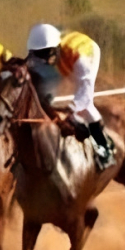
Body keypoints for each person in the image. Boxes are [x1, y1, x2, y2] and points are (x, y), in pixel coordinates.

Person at [25, 23, 115, 169]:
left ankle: (104, 148)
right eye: (39, 54)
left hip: (87, 55)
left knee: (86, 106)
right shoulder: (42, 51)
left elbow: (85, 92)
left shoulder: (82, 60)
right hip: (65, 58)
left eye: (45, 53)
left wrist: (70, 111)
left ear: (55, 48)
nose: (42, 58)